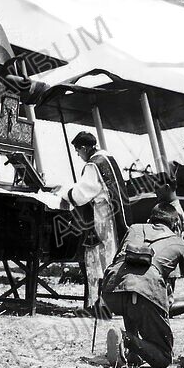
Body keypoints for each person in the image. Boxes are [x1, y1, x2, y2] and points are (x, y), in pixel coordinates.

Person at [101, 203, 184, 368]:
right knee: (164, 358)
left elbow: (118, 260)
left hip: (112, 291)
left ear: (150, 220)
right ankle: (126, 338)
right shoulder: (179, 242)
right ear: (176, 225)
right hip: (144, 290)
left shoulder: (134, 228)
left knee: (132, 291)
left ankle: (133, 352)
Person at [61, 131, 130, 309]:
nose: (78, 154)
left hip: (101, 218)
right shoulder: (107, 158)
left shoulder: (94, 165)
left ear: (84, 148)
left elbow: (82, 194)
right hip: (114, 216)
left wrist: (63, 193)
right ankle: (113, 302)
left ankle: (98, 305)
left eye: (78, 151)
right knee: (112, 257)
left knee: (98, 260)